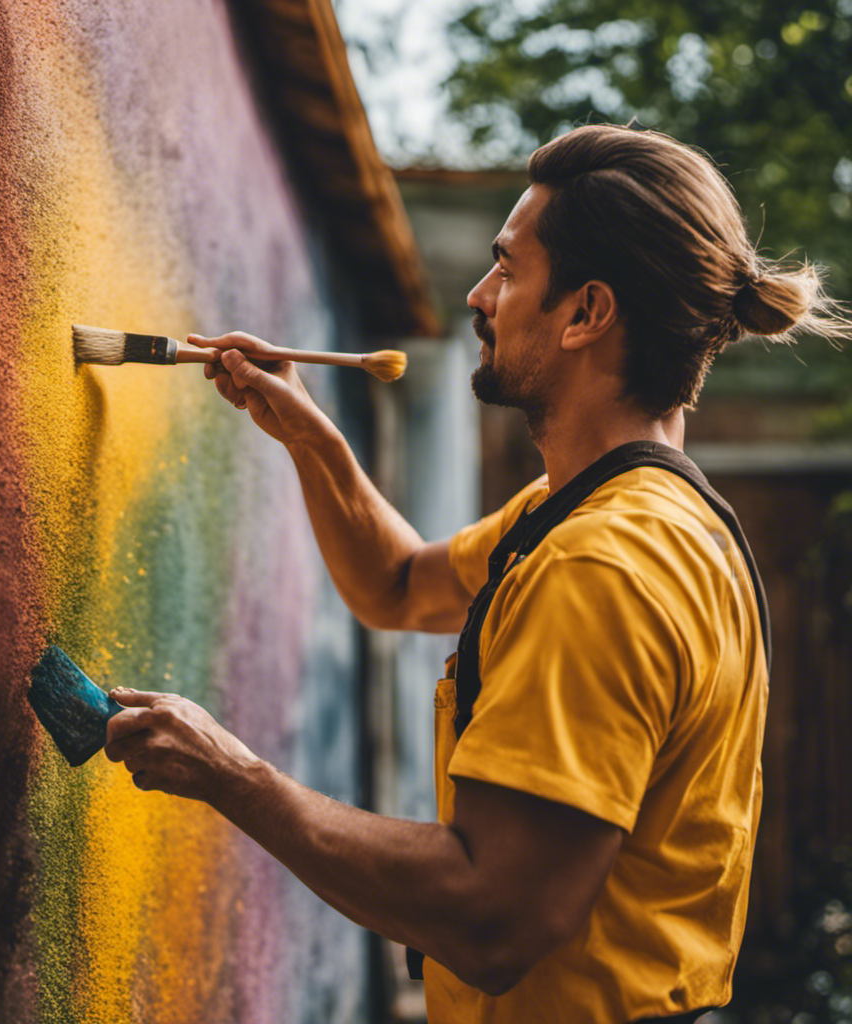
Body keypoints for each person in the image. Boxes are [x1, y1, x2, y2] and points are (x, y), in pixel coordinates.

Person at [104, 125, 852, 1022]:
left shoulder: (604, 566)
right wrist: (309, 433)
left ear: (585, 314)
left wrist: (231, 775)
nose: (478, 294)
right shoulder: (592, 514)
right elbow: (397, 584)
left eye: (506, 268)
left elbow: (493, 918)